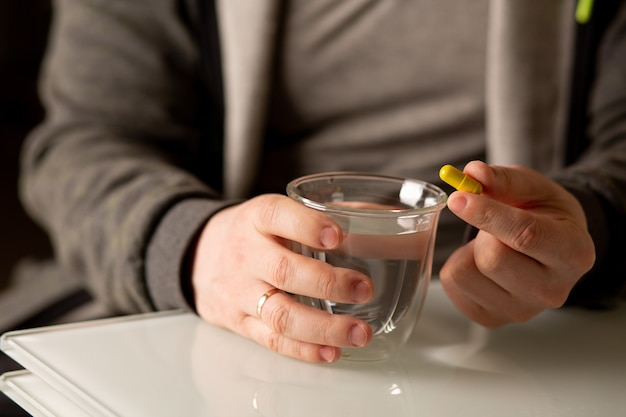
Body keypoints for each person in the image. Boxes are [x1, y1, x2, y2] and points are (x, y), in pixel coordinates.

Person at [18, 0, 626, 363]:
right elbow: (81, 144)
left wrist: (587, 220)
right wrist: (195, 244)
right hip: (203, 318)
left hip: (522, 343)